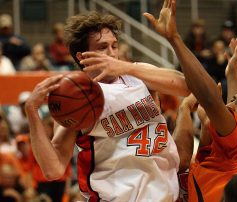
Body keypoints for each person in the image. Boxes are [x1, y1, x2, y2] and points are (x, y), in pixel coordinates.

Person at [25, 10, 189, 202]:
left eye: (114, 46)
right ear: (82, 56)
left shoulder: (137, 74)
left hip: (167, 193)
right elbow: (53, 169)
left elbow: (187, 86)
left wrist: (128, 67)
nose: (112, 53)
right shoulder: (74, 99)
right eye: (103, 47)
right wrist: (32, 111)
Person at [143, 1, 237, 201]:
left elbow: (209, 97)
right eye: (233, 100)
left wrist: (174, 38)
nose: (228, 106)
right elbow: (233, 117)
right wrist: (232, 75)